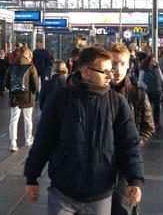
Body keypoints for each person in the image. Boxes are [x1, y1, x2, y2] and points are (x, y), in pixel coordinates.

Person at [24, 46, 145, 214]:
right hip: (63, 194)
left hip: (100, 195)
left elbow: (129, 144)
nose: (111, 76)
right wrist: (32, 177)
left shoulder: (117, 102)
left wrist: (135, 179)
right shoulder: (59, 100)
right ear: (86, 72)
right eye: (105, 71)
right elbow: (43, 142)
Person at [107, 43, 155, 148]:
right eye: (113, 64)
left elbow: (148, 129)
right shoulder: (98, 92)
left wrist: (135, 145)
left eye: (122, 64)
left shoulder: (138, 93)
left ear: (129, 64)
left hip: (127, 156)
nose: (118, 70)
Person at [5, 47, 39, 152]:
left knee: (13, 119)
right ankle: (28, 140)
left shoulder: (11, 67)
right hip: (27, 96)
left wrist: (12, 91)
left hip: (14, 96)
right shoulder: (31, 67)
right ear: (28, 54)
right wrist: (32, 93)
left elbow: (6, 83)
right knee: (27, 119)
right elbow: (35, 83)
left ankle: (13, 143)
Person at [138, 55, 163, 130]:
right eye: (153, 60)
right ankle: (147, 123)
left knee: (157, 108)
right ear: (149, 61)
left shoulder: (157, 68)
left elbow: (161, 78)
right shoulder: (143, 69)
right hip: (148, 92)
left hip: (158, 91)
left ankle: (156, 122)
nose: (154, 62)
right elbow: (140, 80)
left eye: (155, 60)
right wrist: (146, 87)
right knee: (147, 108)